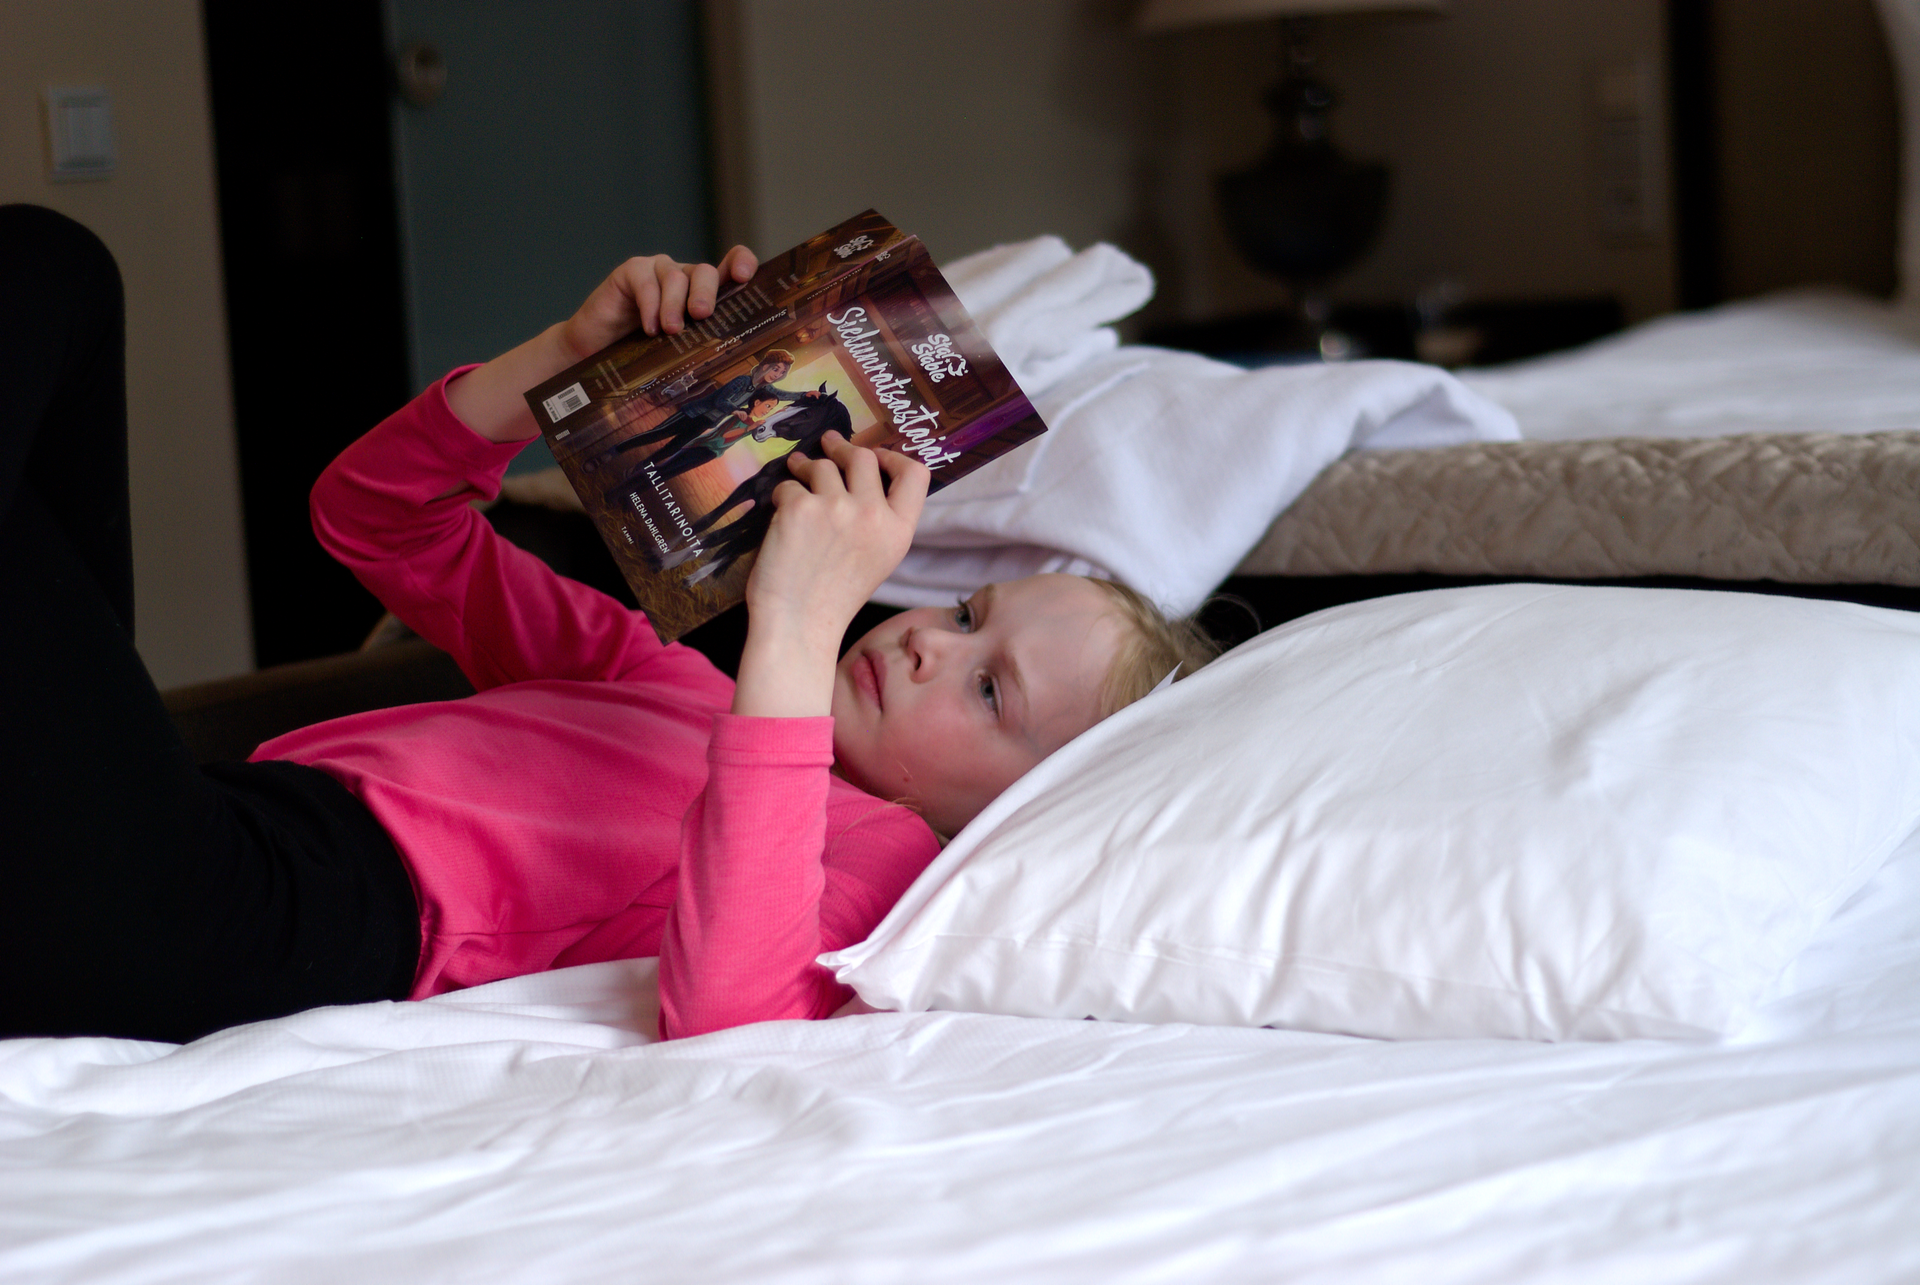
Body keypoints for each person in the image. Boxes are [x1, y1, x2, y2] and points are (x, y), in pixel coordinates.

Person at [0, 205, 1217, 1046]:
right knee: (53, 266)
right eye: (964, 611)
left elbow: (730, 1010)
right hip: (207, 817)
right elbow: (373, 522)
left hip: (252, 922)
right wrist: (564, 357)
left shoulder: (882, 865)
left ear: (1018, 811)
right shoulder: (661, 675)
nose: (928, 643)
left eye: (990, 690)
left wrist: (794, 630)